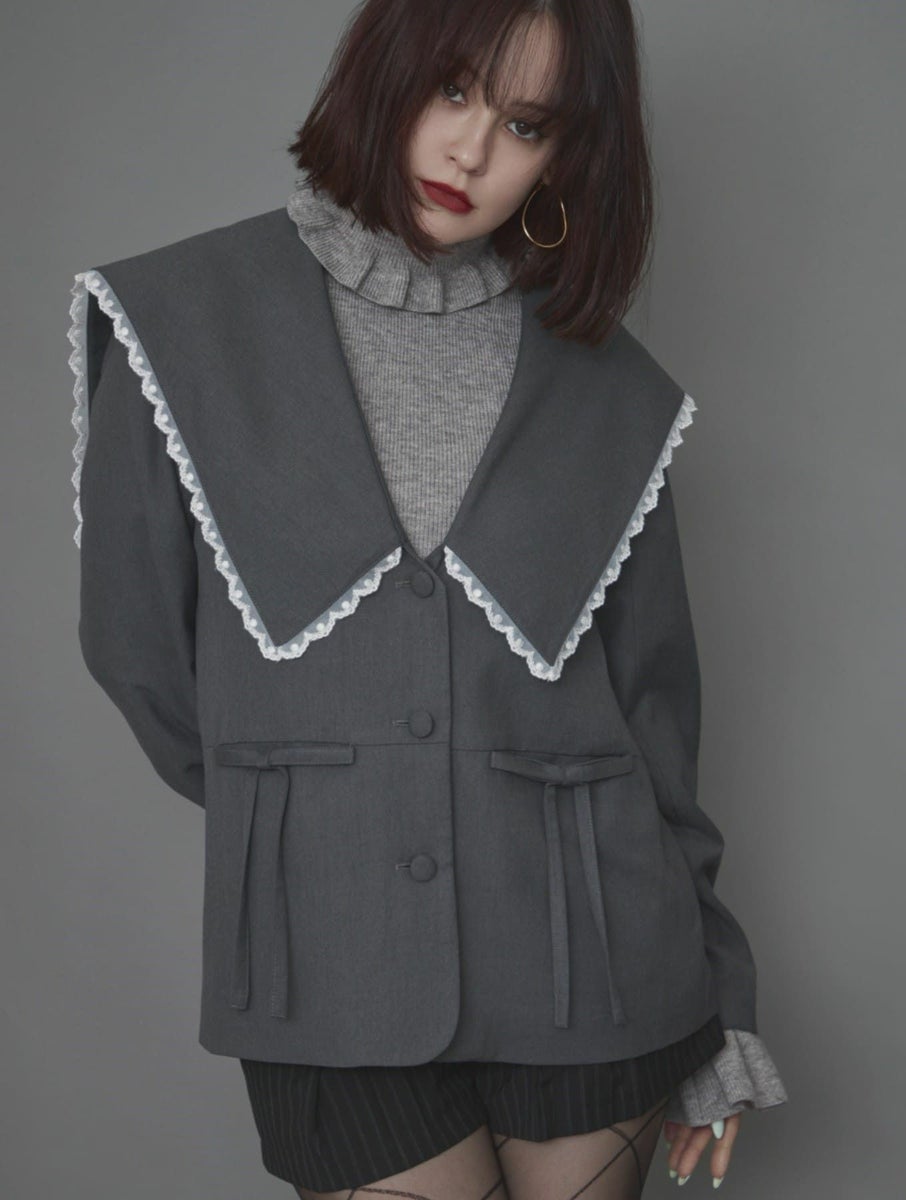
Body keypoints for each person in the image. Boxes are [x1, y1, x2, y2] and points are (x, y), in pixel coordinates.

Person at [69, 2, 788, 1196]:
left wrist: (725, 998)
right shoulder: (181, 323)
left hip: (598, 966)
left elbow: (658, 728)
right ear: (383, 69)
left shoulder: (617, 393)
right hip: (328, 959)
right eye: (453, 89)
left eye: (526, 124)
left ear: (566, 156)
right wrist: (309, 804)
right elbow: (139, 656)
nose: (471, 150)